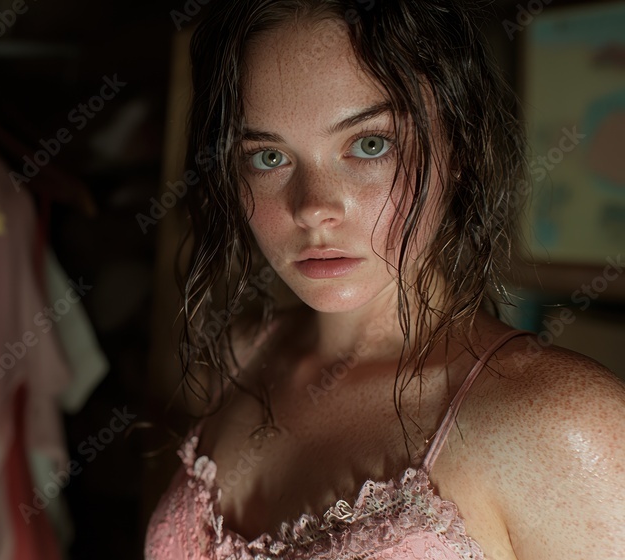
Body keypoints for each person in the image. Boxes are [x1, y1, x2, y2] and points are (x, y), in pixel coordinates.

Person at [145, 1, 625, 558]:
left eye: (370, 144)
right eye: (269, 156)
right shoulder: (239, 358)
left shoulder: (562, 425)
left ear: (461, 146)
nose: (313, 209)